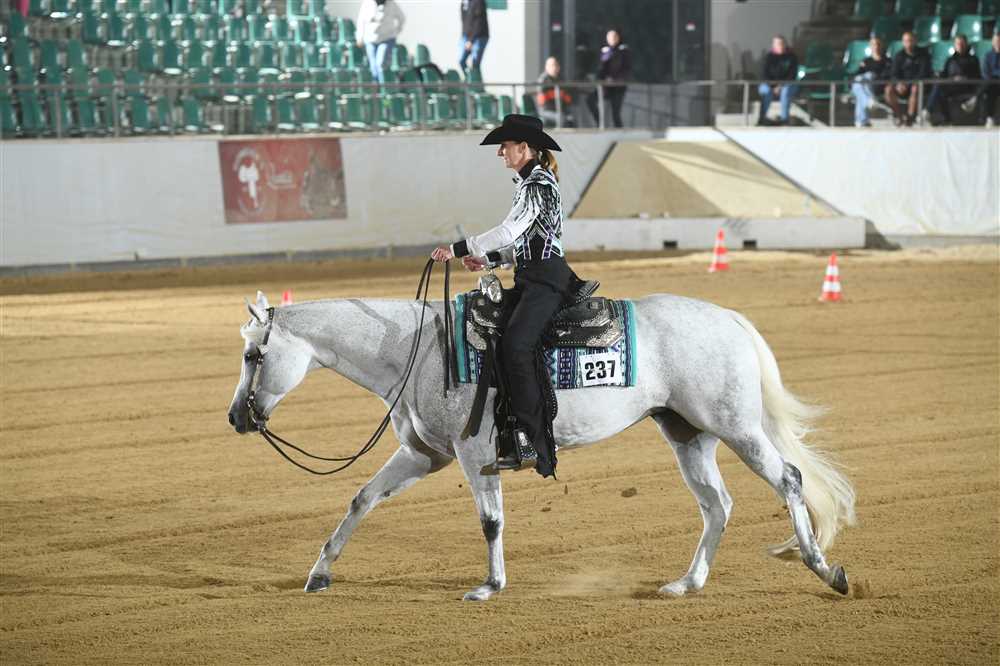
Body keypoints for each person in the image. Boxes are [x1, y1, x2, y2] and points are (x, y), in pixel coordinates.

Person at [431, 115, 574, 478]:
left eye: (505, 146)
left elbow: (509, 231)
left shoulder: (537, 185)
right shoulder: (531, 183)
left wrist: (457, 248)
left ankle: (536, 441)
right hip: (534, 278)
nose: (500, 153)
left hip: (546, 282)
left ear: (524, 148)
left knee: (516, 346)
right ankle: (508, 427)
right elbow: (523, 244)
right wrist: (488, 260)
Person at [926, 34, 982, 125]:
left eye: (962, 44)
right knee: (939, 88)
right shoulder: (950, 60)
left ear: (966, 44)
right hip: (953, 86)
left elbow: (977, 76)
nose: (960, 46)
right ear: (955, 45)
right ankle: (937, 115)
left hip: (967, 86)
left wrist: (965, 78)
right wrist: (951, 78)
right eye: (958, 44)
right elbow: (944, 75)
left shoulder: (973, 60)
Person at [886, 31, 932, 126]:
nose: (908, 43)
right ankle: (899, 116)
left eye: (910, 40)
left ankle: (910, 118)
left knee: (915, 88)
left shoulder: (924, 55)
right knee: (888, 90)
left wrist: (908, 84)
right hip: (902, 86)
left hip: (918, 85)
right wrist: (898, 84)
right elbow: (893, 74)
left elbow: (923, 73)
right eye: (906, 41)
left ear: (915, 41)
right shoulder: (899, 56)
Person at [586, 29, 631, 128]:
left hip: (618, 87)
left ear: (618, 37)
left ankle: (620, 131)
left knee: (615, 113)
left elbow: (625, 69)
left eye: (614, 36)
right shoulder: (604, 51)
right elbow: (601, 68)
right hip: (605, 86)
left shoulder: (623, 51)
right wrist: (598, 79)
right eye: (610, 37)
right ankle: (600, 123)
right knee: (590, 100)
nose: (612, 39)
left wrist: (615, 79)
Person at [356, 0, 405, 84]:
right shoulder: (367, 3)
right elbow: (361, 20)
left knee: (380, 63)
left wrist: (396, 32)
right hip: (370, 39)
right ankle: (376, 85)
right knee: (373, 65)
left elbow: (402, 18)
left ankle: (383, 86)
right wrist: (359, 37)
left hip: (387, 38)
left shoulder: (391, 3)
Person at [757, 35, 799, 126]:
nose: (780, 45)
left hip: (787, 84)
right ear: (773, 45)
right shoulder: (768, 57)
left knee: (786, 91)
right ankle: (762, 119)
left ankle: (784, 119)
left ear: (785, 44)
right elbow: (764, 75)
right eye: (778, 44)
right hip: (769, 84)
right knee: (766, 91)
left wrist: (780, 86)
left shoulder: (792, 57)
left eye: (782, 43)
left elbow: (792, 75)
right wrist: (773, 86)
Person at [851, 36, 892, 127]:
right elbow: (857, 75)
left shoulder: (887, 61)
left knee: (866, 77)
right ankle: (867, 106)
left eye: (878, 44)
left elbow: (887, 76)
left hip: (878, 85)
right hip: (865, 87)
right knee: (859, 82)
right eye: (873, 44)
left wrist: (872, 75)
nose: (876, 46)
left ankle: (861, 118)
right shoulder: (866, 60)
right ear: (870, 46)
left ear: (881, 46)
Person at [536, 56, 575, 128]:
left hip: (560, 109)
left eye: (556, 65)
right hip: (546, 110)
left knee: (571, 117)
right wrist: (557, 94)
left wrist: (565, 96)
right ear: (546, 67)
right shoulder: (543, 80)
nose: (554, 68)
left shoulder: (560, 78)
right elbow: (542, 101)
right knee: (561, 118)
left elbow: (566, 96)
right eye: (551, 65)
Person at [976, 32, 1000, 126]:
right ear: (993, 42)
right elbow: (985, 73)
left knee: (988, 84)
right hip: (992, 84)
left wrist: (995, 74)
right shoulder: (988, 56)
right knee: (990, 90)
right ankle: (989, 118)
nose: (998, 43)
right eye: (996, 41)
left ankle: (975, 97)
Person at [459, 0, 489, 72]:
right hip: (466, 36)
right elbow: (464, 20)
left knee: (475, 63)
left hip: (479, 37)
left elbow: (479, 23)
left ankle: (475, 77)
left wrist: (471, 40)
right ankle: (469, 77)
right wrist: (465, 35)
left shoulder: (479, 2)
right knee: (462, 61)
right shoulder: (465, 2)